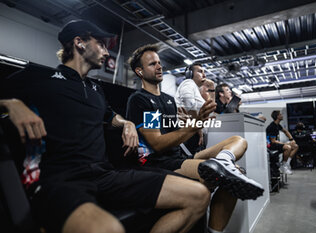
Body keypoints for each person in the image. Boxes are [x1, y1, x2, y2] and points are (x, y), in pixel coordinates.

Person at [0, 20, 211, 233]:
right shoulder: (41, 78)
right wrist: (11, 103)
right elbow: (156, 142)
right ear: (79, 42)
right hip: (62, 179)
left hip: (104, 175)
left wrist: (126, 122)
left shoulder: (96, 89)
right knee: (109, 229)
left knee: (199, 195)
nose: (106, 52)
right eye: (100, 43)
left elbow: (111, 115)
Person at [126, 44, 264, 233]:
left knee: (239, 141)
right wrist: (194, 126)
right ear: (140, 71)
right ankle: (222, 169)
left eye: (159, 62)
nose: (159, 67)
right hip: (159, 163)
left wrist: (191, 124)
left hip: (180, 158)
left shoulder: (167, 99)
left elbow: (172, 129)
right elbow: (157, 143)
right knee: (230, 177)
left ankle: (223, 162)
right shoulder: (141, 99)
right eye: (152, 64)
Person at [174, 63, 209, 154]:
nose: (204, 75)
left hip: (193, 133)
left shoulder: (194, 87)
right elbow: (188, 101)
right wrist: (197, 127)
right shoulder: (188, 82)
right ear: (190, 74)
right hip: (191, 134)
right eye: (200, 71)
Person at [266, 110, 299, 175]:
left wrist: (291, 139)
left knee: (295, 146)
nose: (282, 115)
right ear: (277, 116)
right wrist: (286, 144)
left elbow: (286, 131)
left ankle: (287, 163)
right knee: (288, 147)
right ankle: (283, 166)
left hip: (276, 143)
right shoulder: (272, 126)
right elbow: (273, 141)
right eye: (280, 114)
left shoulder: (278, 125)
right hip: (271, 145)